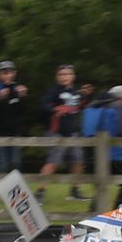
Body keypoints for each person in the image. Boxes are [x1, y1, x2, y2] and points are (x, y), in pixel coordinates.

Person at [37, 64, 88, 202]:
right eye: (62, 74)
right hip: (56, 133)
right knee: (53, 162)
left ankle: (74, 190)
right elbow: (43, 105)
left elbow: (81, 105)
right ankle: (40, 192)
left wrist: (86, 96)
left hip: (72, 133)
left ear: (73, 76)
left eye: (68, 74)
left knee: (78, 161)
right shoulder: (53, 92)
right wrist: (55, 109)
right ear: (57, 77)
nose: (65, 77)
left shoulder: (76, 93)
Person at [82, 85, 122, 210]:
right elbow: (121, 130)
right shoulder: (115, 108)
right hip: (113, 156)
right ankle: (117, 212)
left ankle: (92, 214)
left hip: (91, 156)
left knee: (101, 185)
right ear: (119, 98)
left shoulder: (90, 108)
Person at [0, 60, 28, 173]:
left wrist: (23, 97)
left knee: (16, 163)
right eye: (3, 73)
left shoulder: (18, 89)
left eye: (9, 72)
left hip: (15, 132)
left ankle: (15, 189)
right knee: (3, 164)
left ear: (14, 73)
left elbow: (22, 112)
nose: (7, 75)